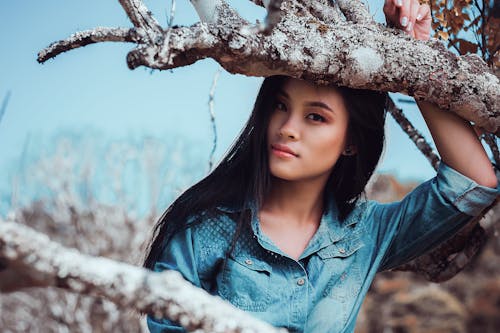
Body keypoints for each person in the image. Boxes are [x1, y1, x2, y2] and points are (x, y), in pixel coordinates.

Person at [143, 0, 499, 332]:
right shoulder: (207, 227)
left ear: (351, 142)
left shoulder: (366, 235)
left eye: (315, 116)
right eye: (281, 106)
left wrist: (415, 54)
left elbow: (472, 183)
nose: (287, 129)